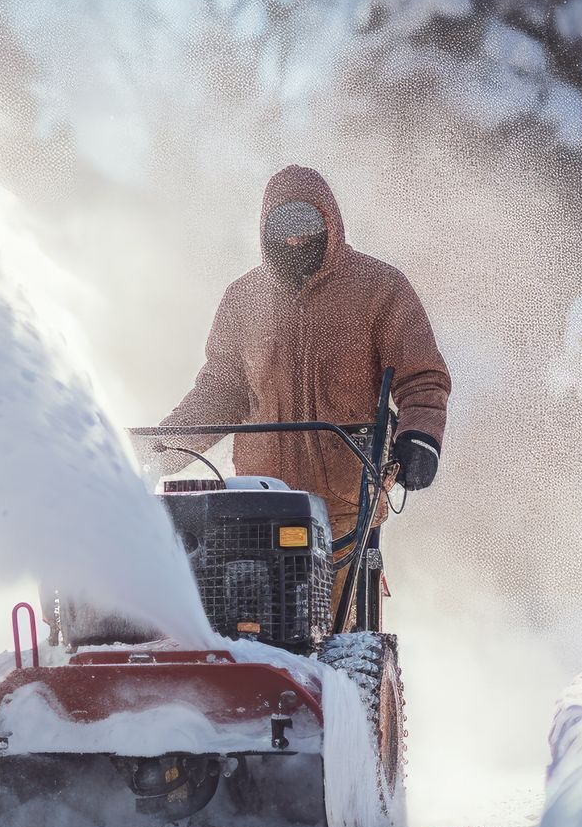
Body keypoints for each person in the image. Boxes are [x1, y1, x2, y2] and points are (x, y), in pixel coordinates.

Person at [160, 164, 452, 583]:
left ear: (329, 222)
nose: (295, 238)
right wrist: (168, 444)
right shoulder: (245, 299)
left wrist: (419, 438)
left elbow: (422, 378)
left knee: (332, 623)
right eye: (283, 227)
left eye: (306, 223)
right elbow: (221, 390)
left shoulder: (379, 289)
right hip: (262, 501)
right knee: (253, 612)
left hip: (348, 503)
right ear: (265, 232)